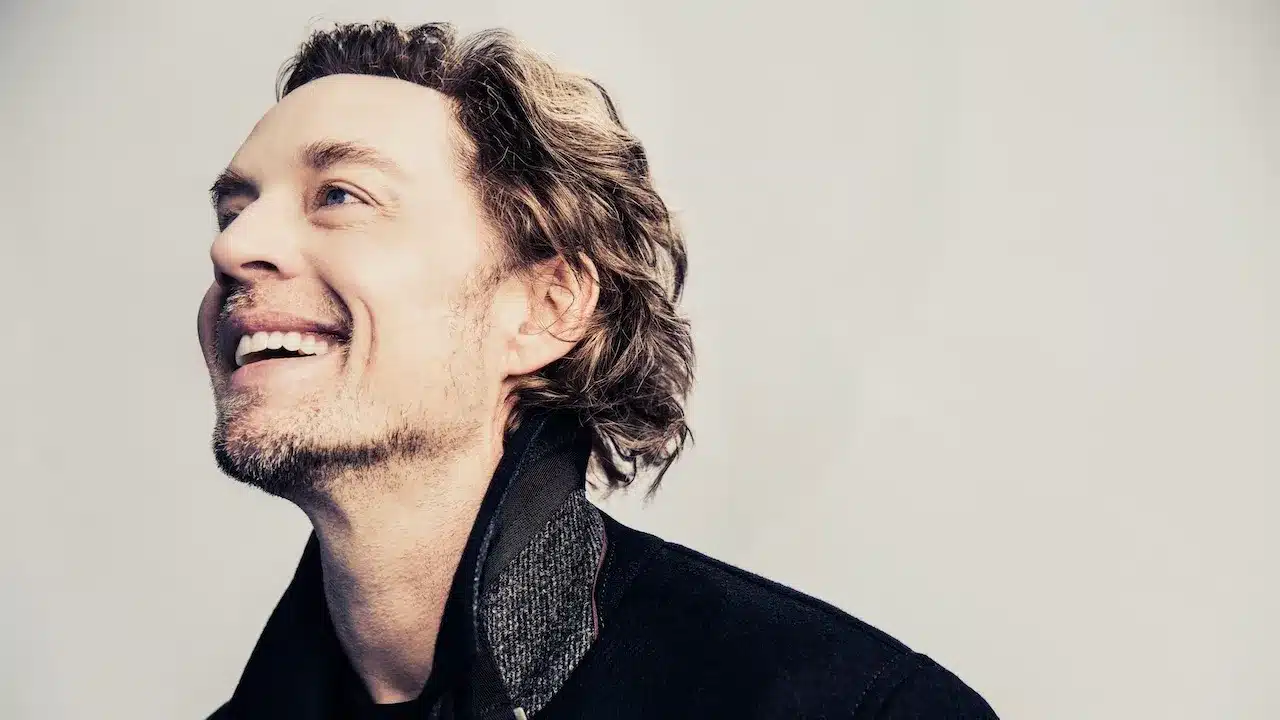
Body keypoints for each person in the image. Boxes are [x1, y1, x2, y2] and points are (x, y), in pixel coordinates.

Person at [199, 20, 997, 719]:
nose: (232, 247)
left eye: (340, 195)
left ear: (547, 308)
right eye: (234, 211)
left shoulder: (855, 708)